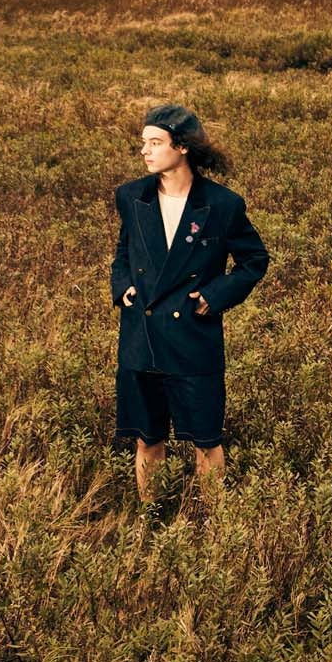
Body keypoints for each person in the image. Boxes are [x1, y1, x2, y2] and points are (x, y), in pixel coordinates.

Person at [110, 103, 270, 518]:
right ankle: (151, 518)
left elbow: (254, 260)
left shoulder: (222, 204)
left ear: (181, 147)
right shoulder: (131, 196)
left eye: (155, 142)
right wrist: (123, 287)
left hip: (193, 340)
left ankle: (213, 523)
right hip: (141, 337)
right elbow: (124, 250)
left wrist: (214, 296)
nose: (145, 151)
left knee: (206, 439)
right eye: (143, 142)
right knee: (147, 437)